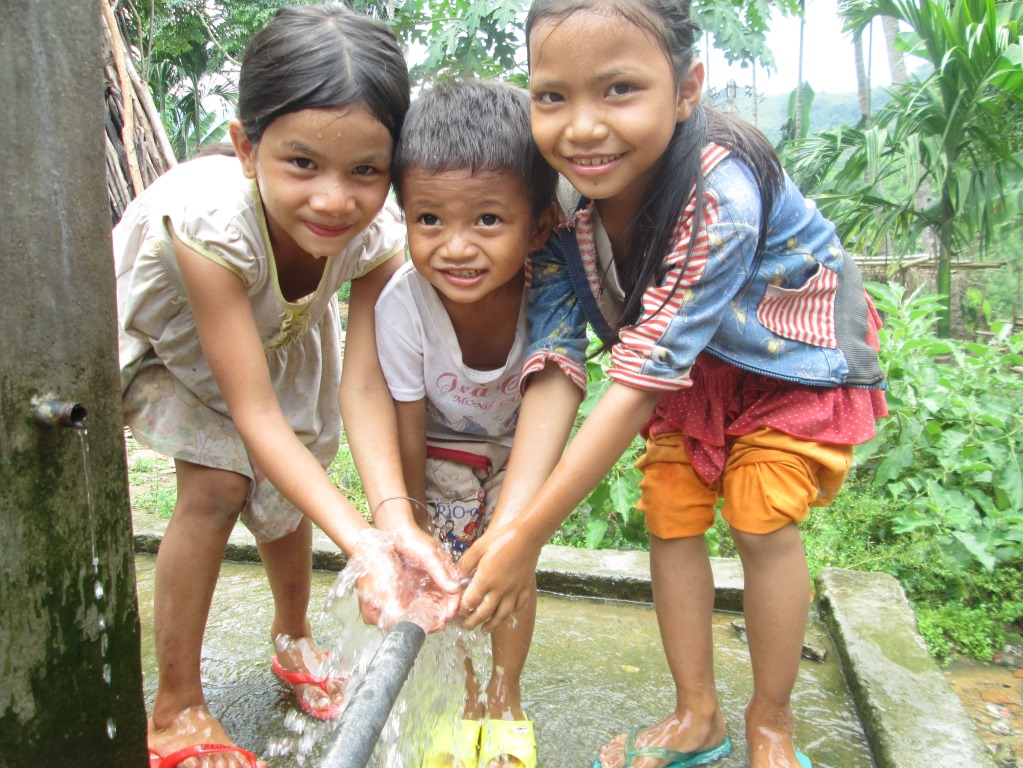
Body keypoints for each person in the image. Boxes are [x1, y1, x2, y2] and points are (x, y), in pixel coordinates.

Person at [455, 2, 889, 768]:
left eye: (618, 89)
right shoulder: (554, 207)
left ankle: (772, 723)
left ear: (686, 87)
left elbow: (643, 375)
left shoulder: (718, 191)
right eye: (552, 96)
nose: (583, 126)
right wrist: (510, 525)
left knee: (760, 521)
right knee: (670, 513)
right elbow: (558, 361)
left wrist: (529, 536)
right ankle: (698, 713)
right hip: (684, 371)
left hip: (790, 361)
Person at [114, 6, 460, 767]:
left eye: (366, 171)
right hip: (182, 332)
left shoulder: (377, 239)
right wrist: (364, 547)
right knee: (220, 483)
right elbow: (252, 414)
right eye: (302, 164)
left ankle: (293, 637)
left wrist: (391, 522)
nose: (335, 200)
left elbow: (367, 387)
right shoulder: (212, 227)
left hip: (280, 334)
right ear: (246, 148)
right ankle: (176, 708)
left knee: (287, 489)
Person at [374, 79, 556, 768]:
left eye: (487, 220)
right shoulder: (403, 306)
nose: (455, 247)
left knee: (511, 566)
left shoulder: (549, 291)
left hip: (519, 445)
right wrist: (413, 517)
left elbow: (552, 395)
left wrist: (512, 527)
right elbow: (407, 419)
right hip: (444, 448)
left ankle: (505, 699)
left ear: (537, 225)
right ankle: (466, 700)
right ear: (403, 217)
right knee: (450, 572)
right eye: (429, 220)